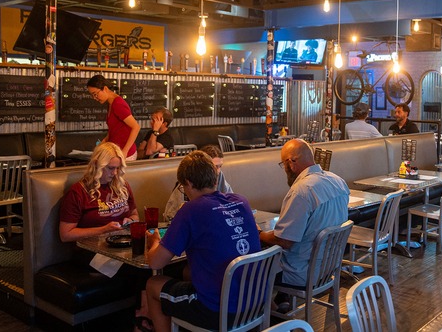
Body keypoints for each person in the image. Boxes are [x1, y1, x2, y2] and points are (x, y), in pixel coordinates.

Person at [145, 151, 260, 332]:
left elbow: (156, 261)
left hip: (219, 311)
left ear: (188, 184)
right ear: (215, 179)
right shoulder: (241, 201)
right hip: (254, 303)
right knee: (188, 271)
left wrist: (153, 242)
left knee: (153, 285)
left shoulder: (190, 210)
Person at [258, 139, 350, 289]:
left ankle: (261, 310)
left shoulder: (301, 191)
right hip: (329, 267)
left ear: (291, 162)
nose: (285, 169)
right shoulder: (338, 181)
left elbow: (285, 241)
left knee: (249, 267)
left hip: (301, 273)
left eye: (283, 165)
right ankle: (282, 303)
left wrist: (258, 233)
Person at [58, 142, 138, 242]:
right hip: (94, 249)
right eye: (110, 168)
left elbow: (135, 215)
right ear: (97, 164)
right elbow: (66, 235)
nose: (115, 173)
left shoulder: (122, 186)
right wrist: (103, 230)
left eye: (118, 168)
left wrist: (131, 221)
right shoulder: (78, 192)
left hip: (123, 243)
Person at [164, 145, 234, 221]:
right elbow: (170, 216)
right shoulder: (187, 182)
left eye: (220, 166)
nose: (218, 171)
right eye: (215, 167)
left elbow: (230, 203)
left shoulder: (220, 176)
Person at [87, 74, 140, 160]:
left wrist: (125, 151)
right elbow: (114, 130)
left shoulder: (118, 104)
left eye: (95, 94)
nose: (94, 98)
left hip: (125, 154)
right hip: (115, 152)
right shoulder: (110, 103)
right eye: (92, 95)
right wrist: (101, 145)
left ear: (105, 89)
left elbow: (136, 127)